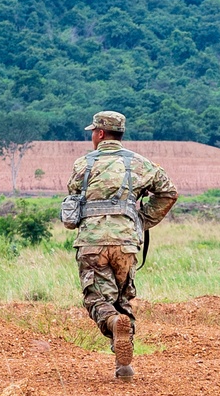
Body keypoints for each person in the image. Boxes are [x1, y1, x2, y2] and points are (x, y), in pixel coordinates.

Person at [67, 111, 178, 380]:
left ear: (101, 133)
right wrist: (141, 220)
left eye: (93, 131)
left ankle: (114, 324)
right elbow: (169, 192)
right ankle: (123, 367)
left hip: (92, 243)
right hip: (126, 243)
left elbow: (72, 200)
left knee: (98, 300)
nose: (92, 135)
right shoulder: (141, 164)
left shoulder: (83, 164)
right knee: (122, 300)